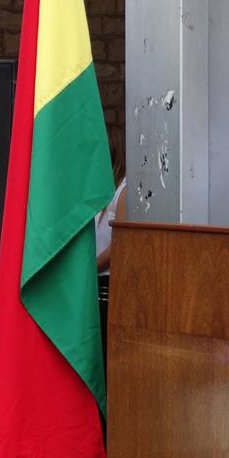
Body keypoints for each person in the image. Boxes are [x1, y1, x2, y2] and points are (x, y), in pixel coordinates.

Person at [95, 126, 127, 364]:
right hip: (92, 280)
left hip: (107, 283)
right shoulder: (97, 189)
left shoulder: (123, 191)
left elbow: (119, 247)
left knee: (104, 350)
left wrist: (89, 268)